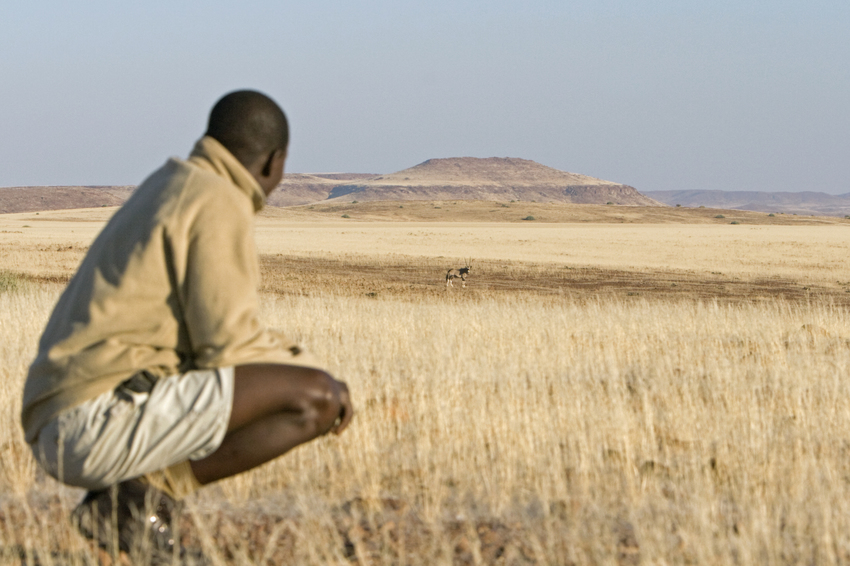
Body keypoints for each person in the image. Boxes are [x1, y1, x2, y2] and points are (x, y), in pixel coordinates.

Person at [21, 90, 353, 561]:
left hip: (60, 418)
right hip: (89, 423)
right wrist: (325, 378)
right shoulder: (217, 200)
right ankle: (136, 503)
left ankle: (134, 502)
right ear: (274, 163)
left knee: (298, 385)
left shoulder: (172, 182)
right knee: (315, 398)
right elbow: (231, 347)